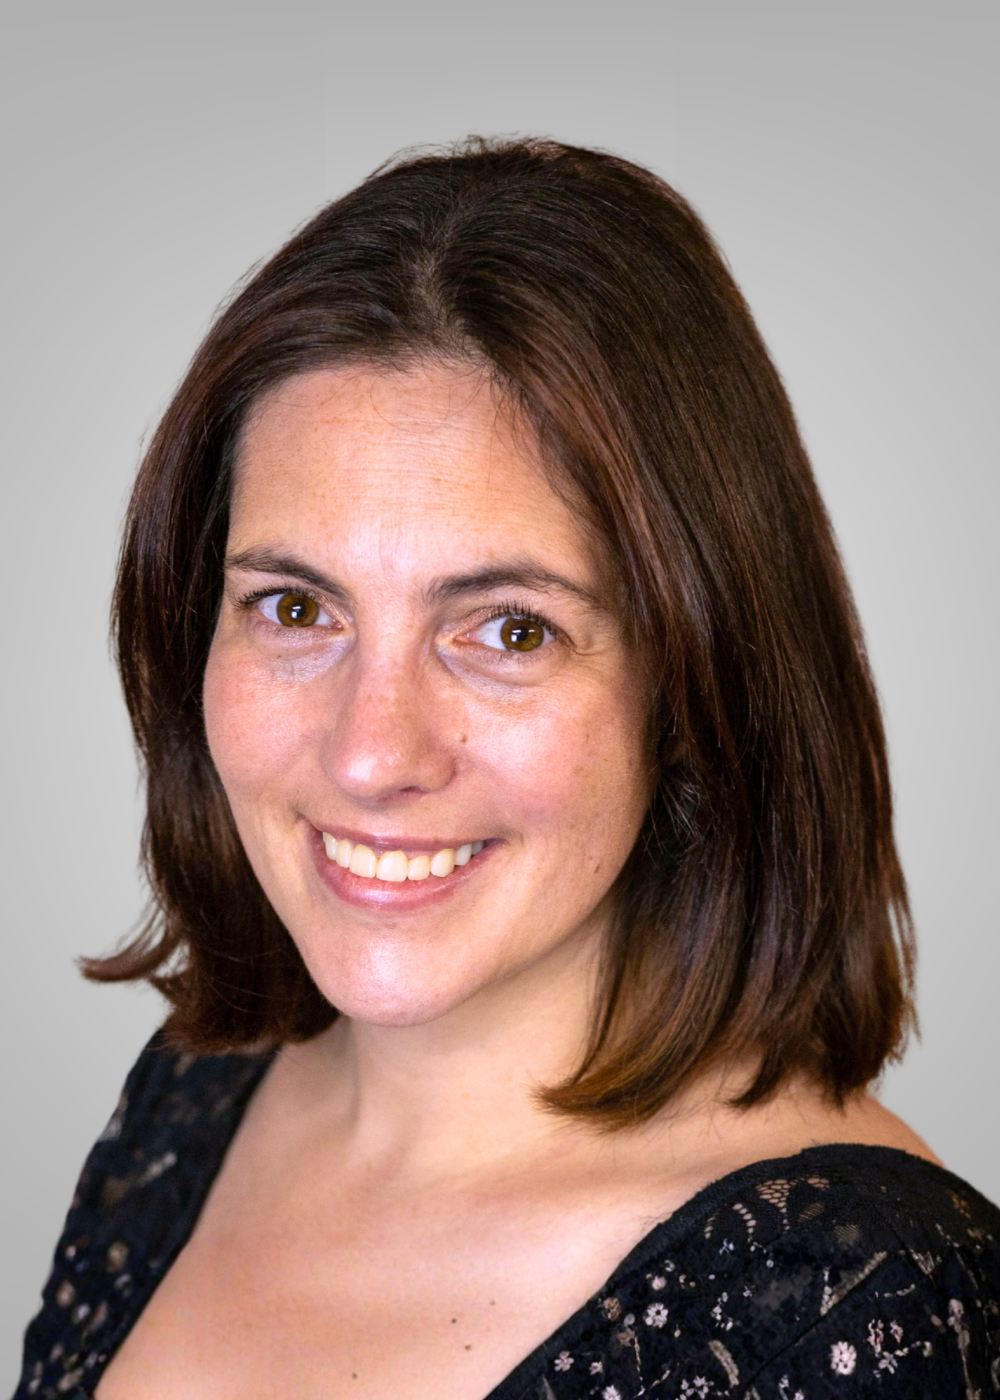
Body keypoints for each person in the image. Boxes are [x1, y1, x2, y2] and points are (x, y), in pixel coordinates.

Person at [14, 138, 999, 1400]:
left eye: (510, 630)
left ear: (699, 681)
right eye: (295, 610)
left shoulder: (859, 1308)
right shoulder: (190, 1104)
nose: (372, 752)